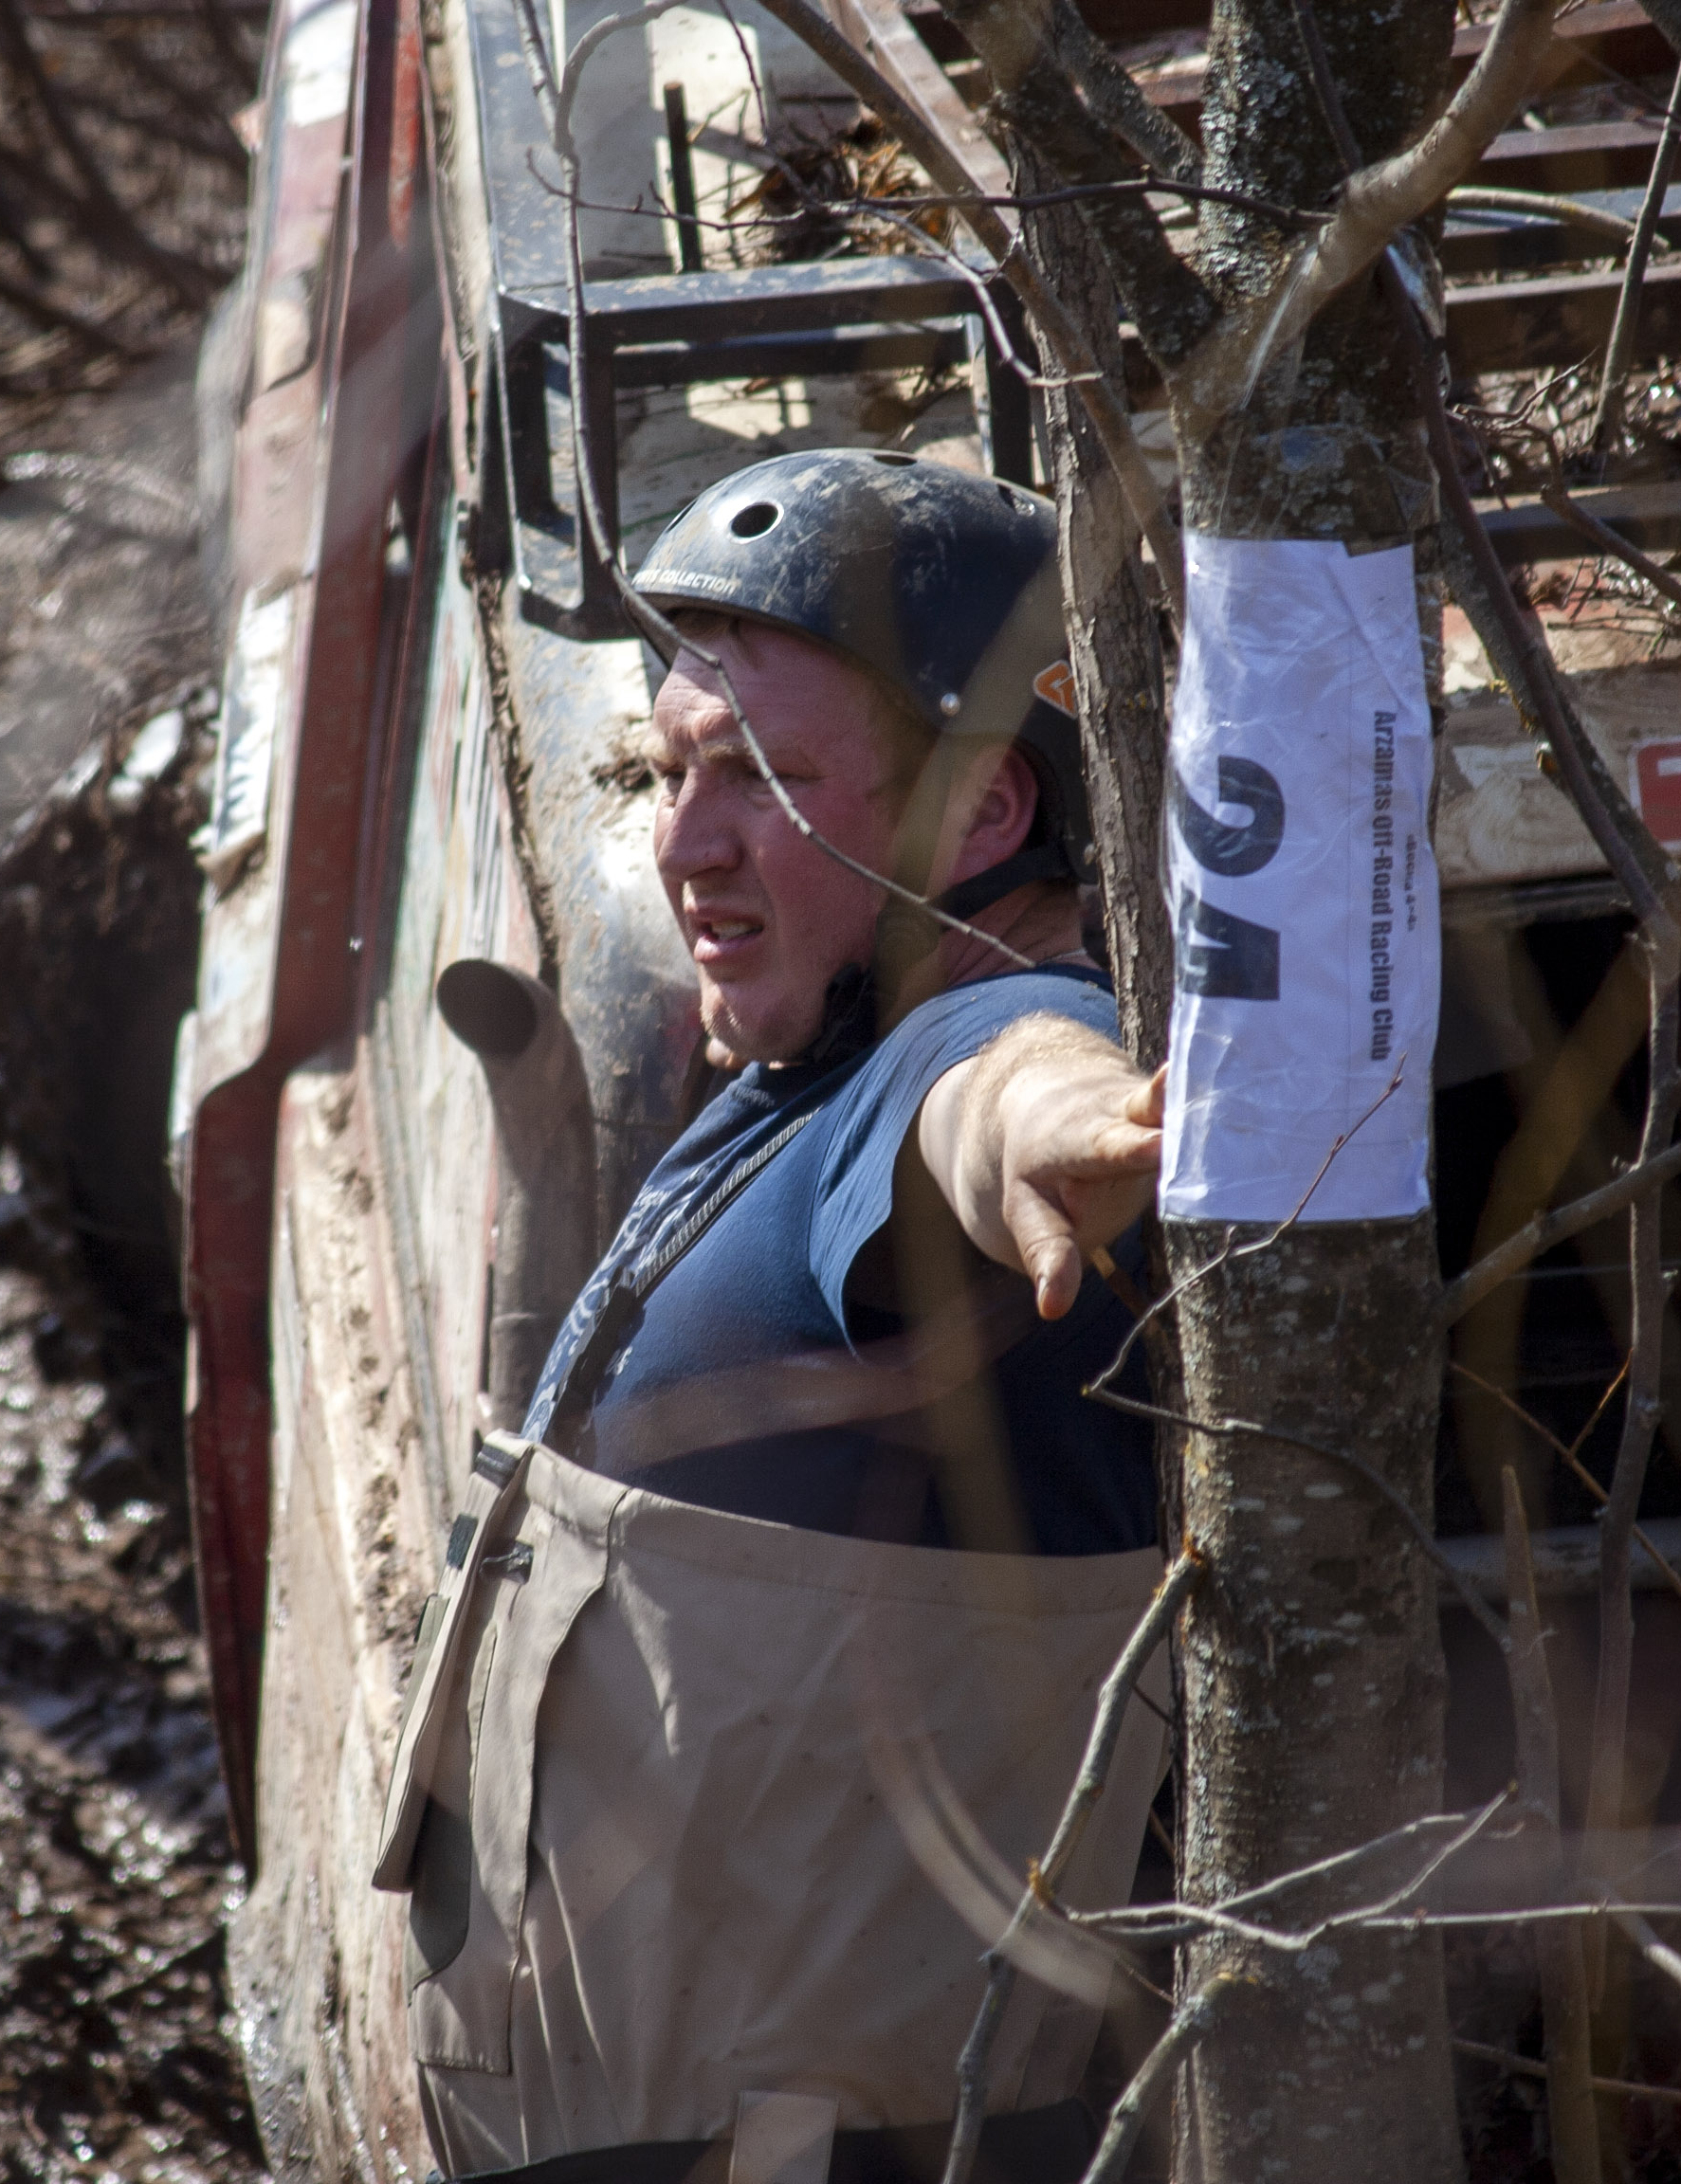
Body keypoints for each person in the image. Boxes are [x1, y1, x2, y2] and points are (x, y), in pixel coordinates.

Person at [382, 448, 1171, 2184]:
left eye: (767, 780)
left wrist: (1065, 1125)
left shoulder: (943, 1049)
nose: (688, 847)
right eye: (670, 776)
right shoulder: (803, 1085)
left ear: (982, 815)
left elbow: (1000, 1089)